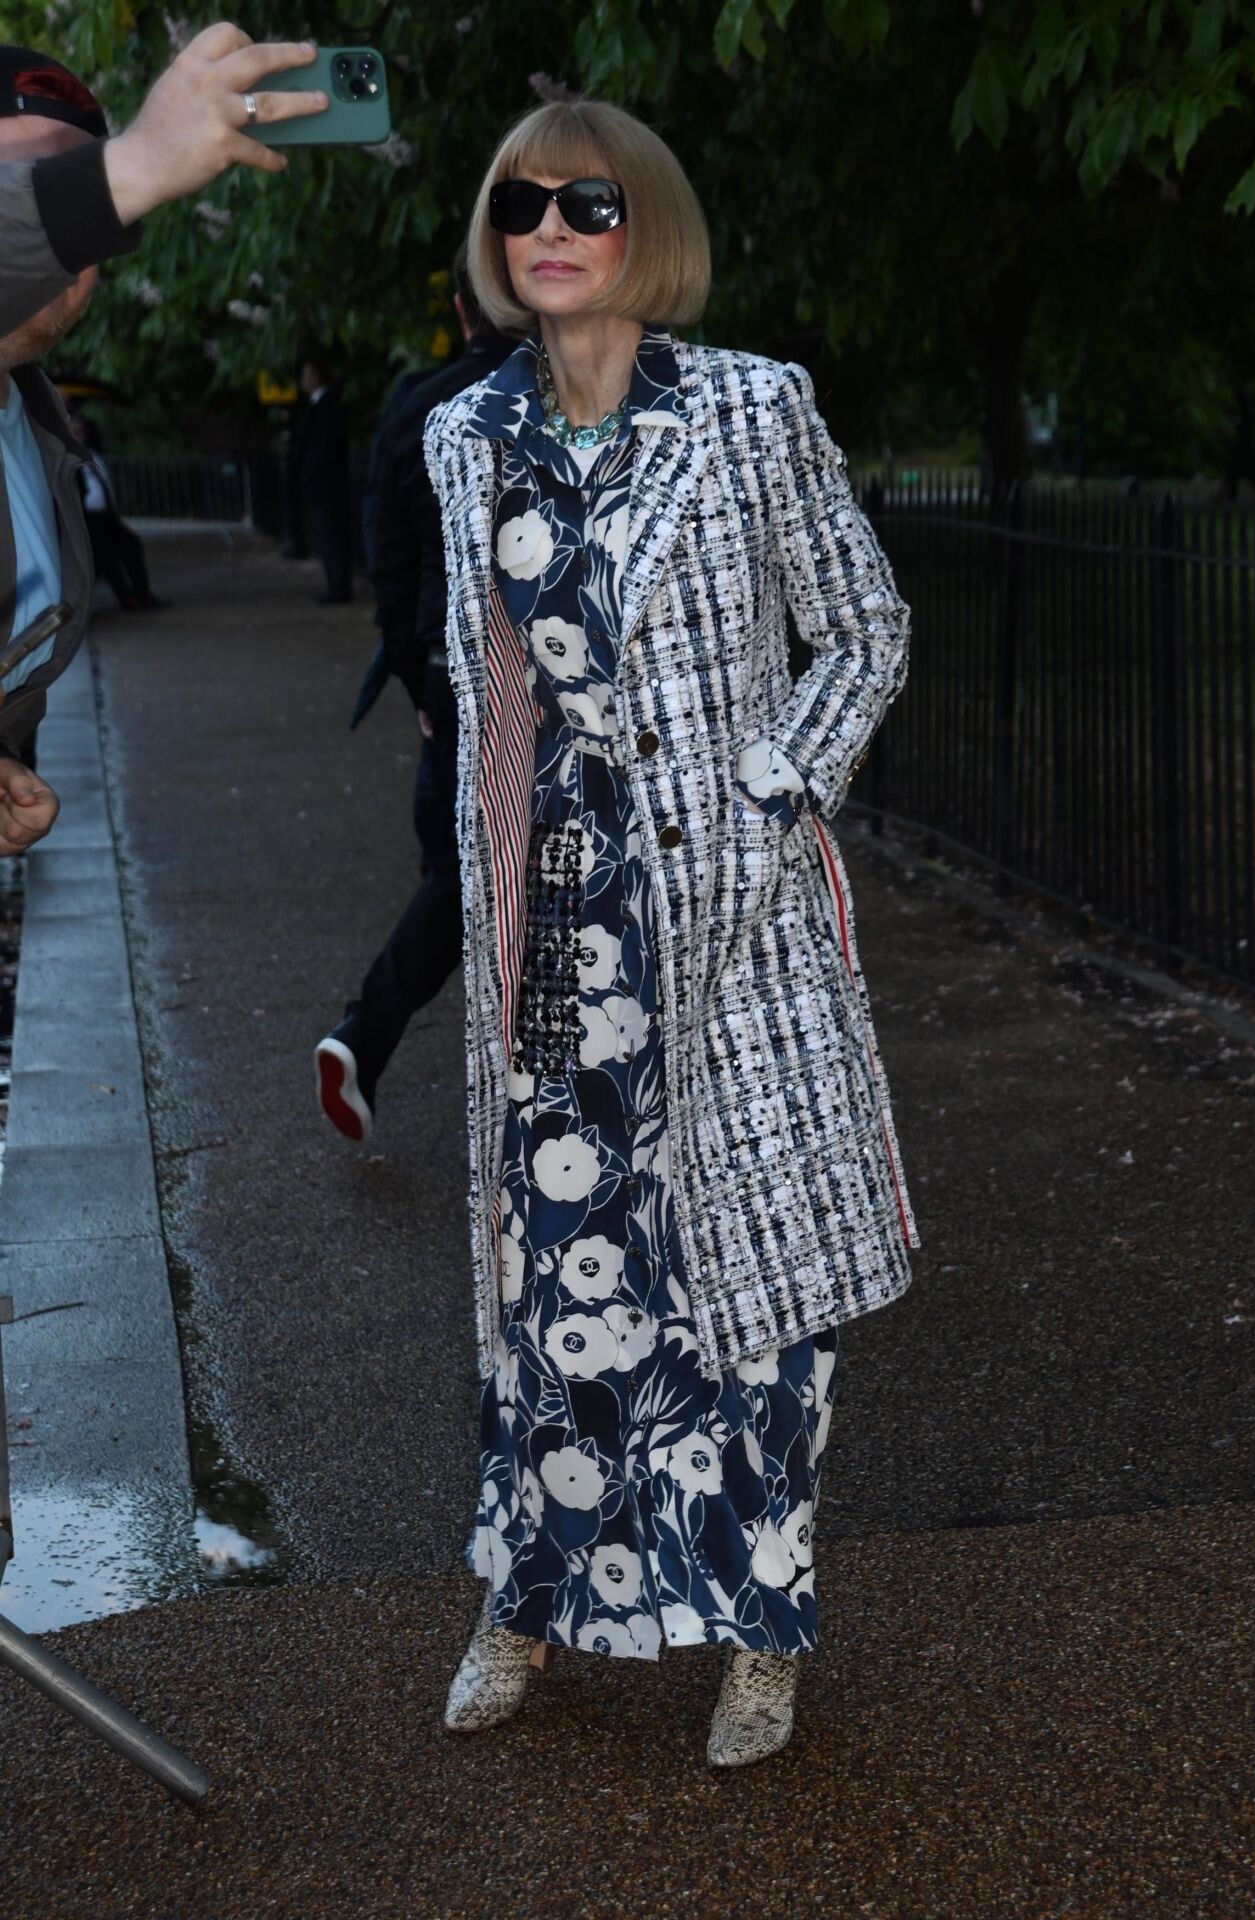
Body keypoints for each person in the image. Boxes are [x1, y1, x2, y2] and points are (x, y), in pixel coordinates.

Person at [422, 100, 921, 1768]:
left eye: (588, 202)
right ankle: (528, 1599)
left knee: (752, 1296)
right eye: (520, 206)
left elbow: (864, 631)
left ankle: (764, 1633)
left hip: (731, 929)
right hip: (558, 929)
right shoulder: (466, 437)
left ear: (650, 225)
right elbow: (483, 683)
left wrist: (772, 798)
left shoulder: (753, 408)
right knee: (561, 1282)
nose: (549, 232)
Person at [0, 26, 329, 855]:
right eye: (18, 190)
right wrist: (132, 166)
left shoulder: (34, 430)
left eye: (66, 190)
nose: (64, 249)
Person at [314, 255, 512, 1140]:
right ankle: (373, 1037)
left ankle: (367, 1036)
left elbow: (385, 561)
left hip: (448, 674)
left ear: (463, 307)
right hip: (531, 675)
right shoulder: (564, 399)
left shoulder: (419, 408)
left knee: (464, 871)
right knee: (493, 876)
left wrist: (413, 674)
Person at [68, 412, 166, 611]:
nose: (79, 436)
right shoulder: (66, 460)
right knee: (106, 554)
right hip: (87, 519)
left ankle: (142, 595)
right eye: (75, 432)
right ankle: (126, 599)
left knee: (131, 544)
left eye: (81, 432)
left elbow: (103, 484)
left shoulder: (91, 455)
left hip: (105, 517)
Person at [289, 355, 351, 604]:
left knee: (330, 536)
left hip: (324, 486)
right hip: (324, 484)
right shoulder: (323, 406)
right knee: (329, 536)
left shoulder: (325, 407)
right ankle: (336, 585)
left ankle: (338, 587)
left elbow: (320, 449)